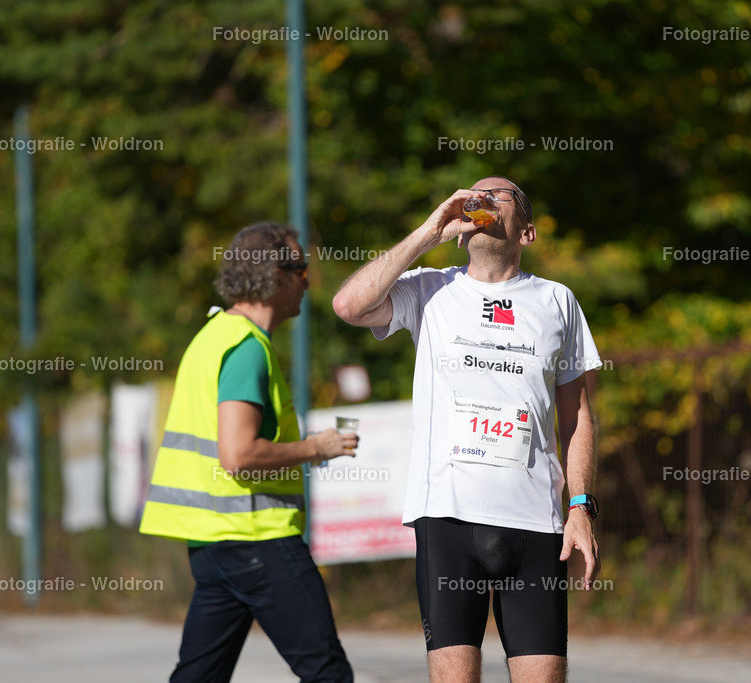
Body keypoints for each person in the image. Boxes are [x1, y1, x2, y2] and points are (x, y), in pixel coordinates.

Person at [332, 177, 603, 683]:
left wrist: (581, 507)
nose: (483, 199)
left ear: (526, 232)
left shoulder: (557, 301)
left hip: (536, 523)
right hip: (448, 519)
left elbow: (578, 417)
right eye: (476, 195)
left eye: (500, 195)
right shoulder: (429, 288)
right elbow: (349, 305)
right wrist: (428, 232)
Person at [139, 222, 356, 683]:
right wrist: (317, 447)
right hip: (258, 541)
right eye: (300, 269)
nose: (307, 281)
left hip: (215, 546)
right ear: (275, 275)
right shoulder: (246, 348)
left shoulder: (213, 335)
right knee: (327, 674)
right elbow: (238, 454)